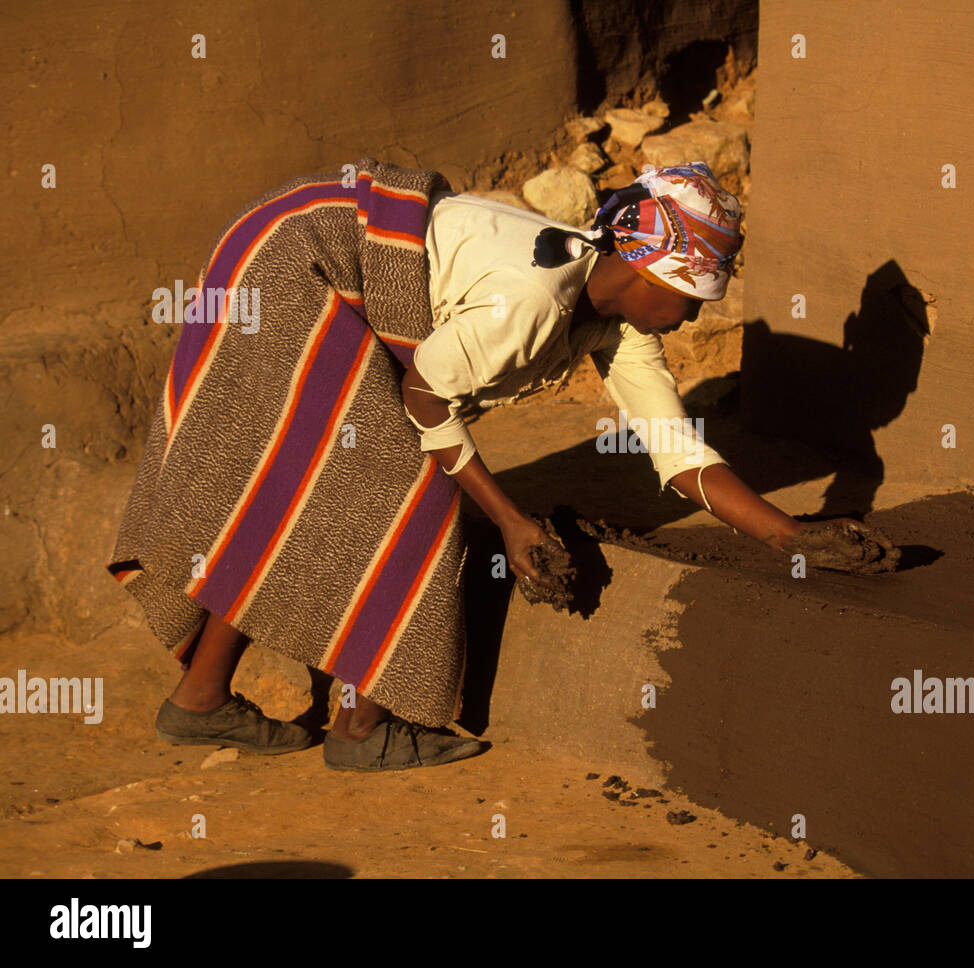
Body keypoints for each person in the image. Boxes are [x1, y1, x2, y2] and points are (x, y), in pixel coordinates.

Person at [107, 157, 867, 773]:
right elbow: (426, 395)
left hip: (303, 248)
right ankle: (361, 726)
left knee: (300, 485)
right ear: (655, 274)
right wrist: (508, 520)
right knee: (404, 494)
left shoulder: (615, 323)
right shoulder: (533, 299)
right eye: (695, 298)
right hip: (296, 268)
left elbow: (675, 451)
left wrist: (788, 536)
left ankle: (200, 701)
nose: (698, 317)